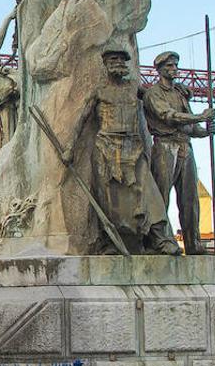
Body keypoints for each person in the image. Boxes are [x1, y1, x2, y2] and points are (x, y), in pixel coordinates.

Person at [65, 48, 182, 255]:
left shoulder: (134, 88)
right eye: (114, 59)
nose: (119, 62)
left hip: (133, 146)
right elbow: (80, 120)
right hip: (106, 147)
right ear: (106, 64)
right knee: (110, 201)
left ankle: (160, 239)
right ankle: (113, 243)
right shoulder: (99, 91)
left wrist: (177, 90)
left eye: (122, 59)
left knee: (150, 194)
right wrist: (70, 149)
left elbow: (157, 99)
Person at [143, 50, 215, 254]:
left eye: (176, 65)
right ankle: (158, 241)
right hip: (164, 147)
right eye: (169, 66)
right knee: (161, 198)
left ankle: (193, 243)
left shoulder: (180, 93)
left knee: (190, 199)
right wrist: (200, 117)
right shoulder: (153, 94)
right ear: (159, 69)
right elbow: (169, 117)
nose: (174, 69)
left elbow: (191, 128)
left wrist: (205, 131)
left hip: (185, 147)